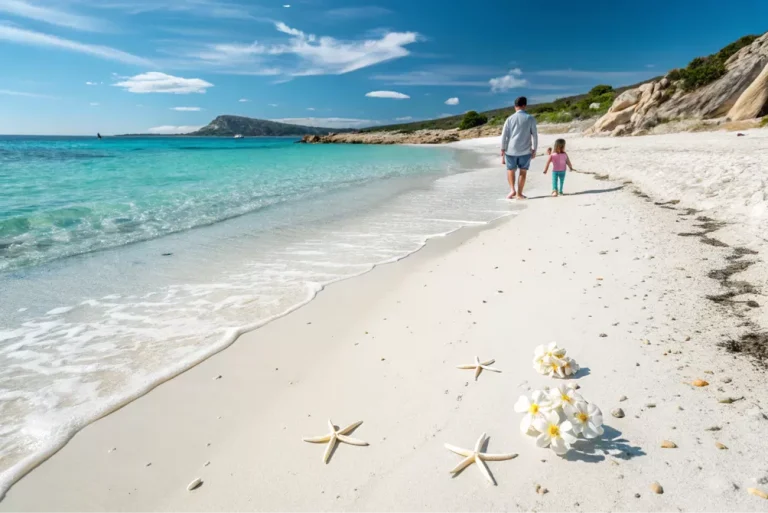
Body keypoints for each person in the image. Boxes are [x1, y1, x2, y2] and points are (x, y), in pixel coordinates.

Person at [500, 96, 538, 199]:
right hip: (525, 151)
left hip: (510, 150)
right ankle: (519, 193)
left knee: (510, 170)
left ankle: (512, 190)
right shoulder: (530, 118)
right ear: (524, 105)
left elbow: (504, 135)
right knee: (523, 171)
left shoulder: (509, 119)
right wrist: (535, 149)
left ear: (515, 106)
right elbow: (534, 135)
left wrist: (502, 149)